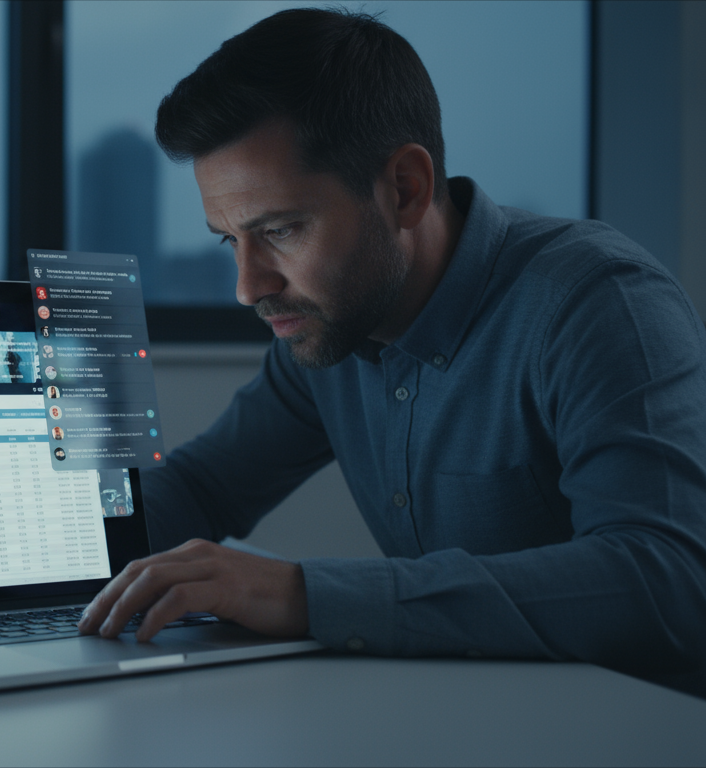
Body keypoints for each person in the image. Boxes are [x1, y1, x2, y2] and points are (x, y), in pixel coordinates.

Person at [76, 8, 706, 695]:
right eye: (231, 239)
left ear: (405, 189)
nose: (248, 287)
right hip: (462, 714)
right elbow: (204, 487)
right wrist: (30, 554)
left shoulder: (597, 301)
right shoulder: (332, 328)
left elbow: (667, 582)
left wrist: (302, 595)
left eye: (281, 230)